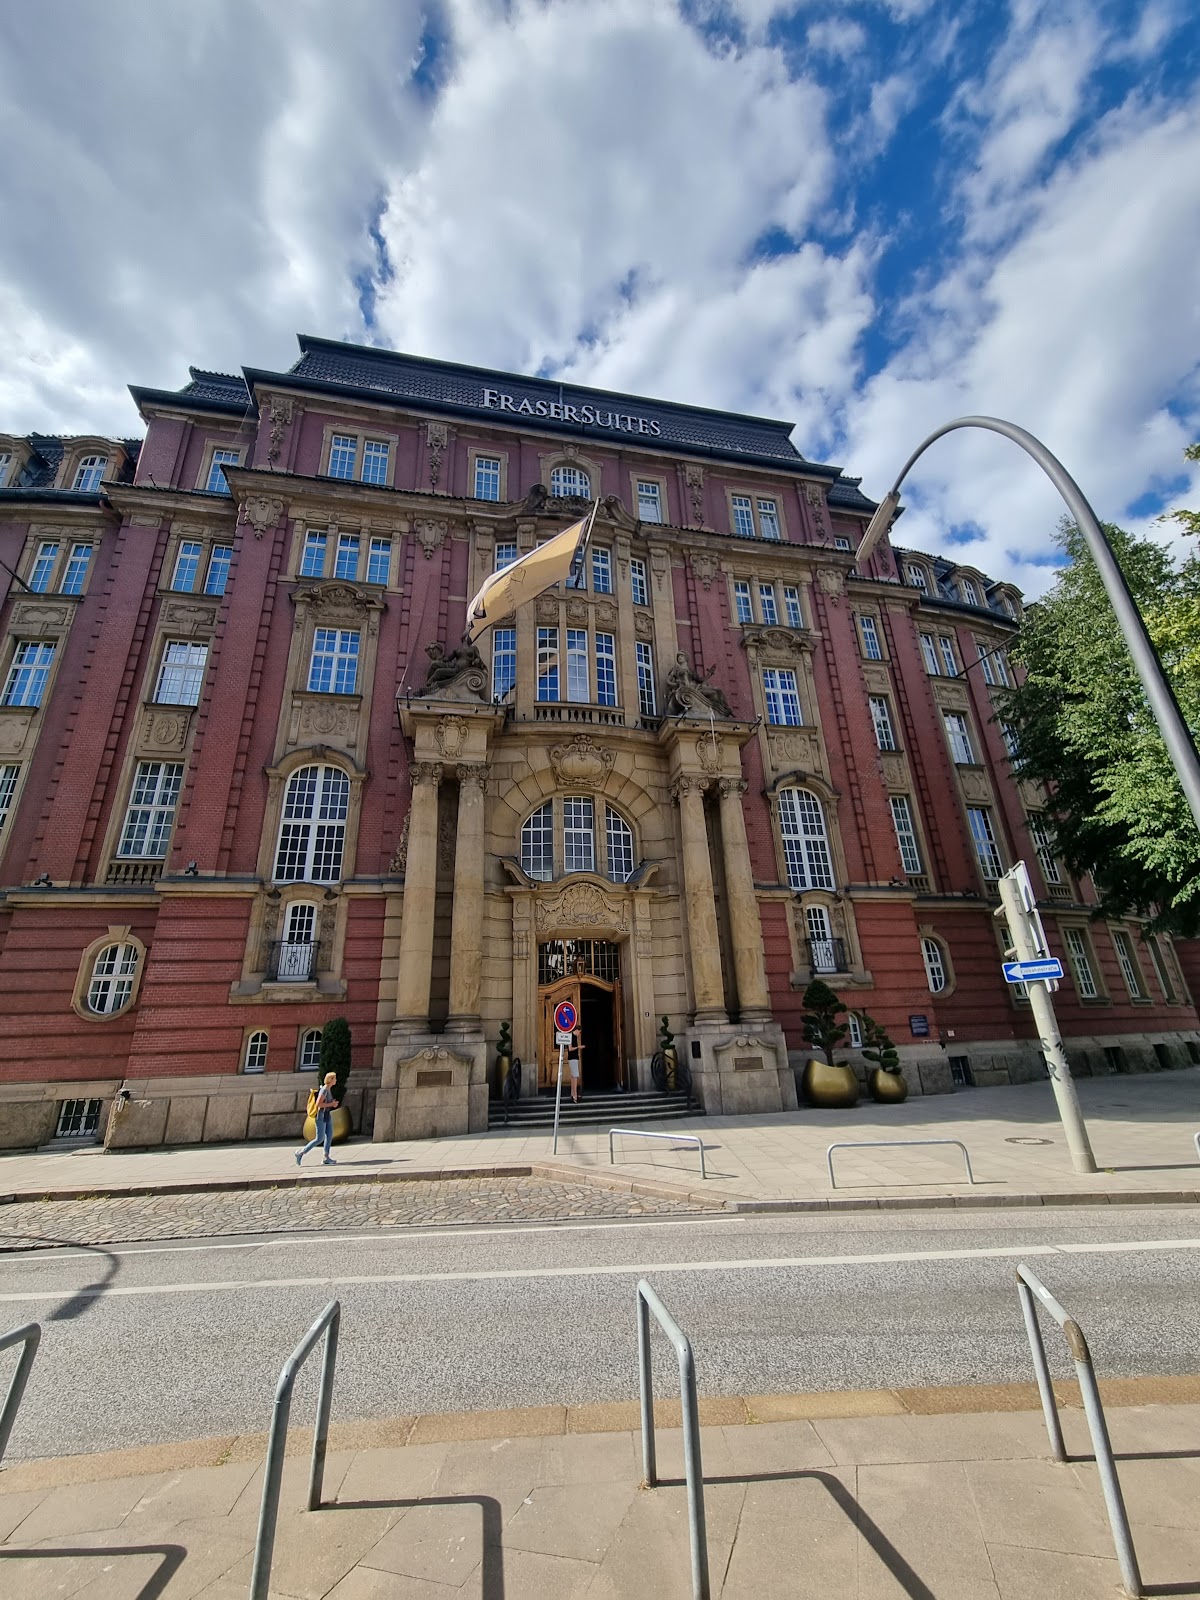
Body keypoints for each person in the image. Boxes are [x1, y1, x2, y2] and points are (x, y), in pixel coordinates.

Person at [296, 1072, 338, 1166]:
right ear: (330, 1079)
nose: (336, 1080)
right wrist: (331, 1104)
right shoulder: (324, 1090)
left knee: (329, 1136)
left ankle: (326, 1157)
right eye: (334, 1078)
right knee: (319, 1139)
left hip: (327, 1115)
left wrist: (332, 1104)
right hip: (321, 1116)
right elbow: (318, 1104)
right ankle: (301, 1153)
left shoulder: (328, 1089)